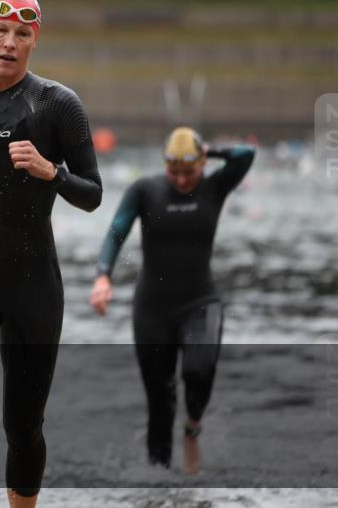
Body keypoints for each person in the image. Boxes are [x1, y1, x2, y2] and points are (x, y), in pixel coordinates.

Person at [0, 0, 103, 507]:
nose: (10, 42)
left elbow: (94, 194)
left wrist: (50, 171)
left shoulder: (58, 105)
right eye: (2, 30)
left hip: (34, 282)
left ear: (34, 42)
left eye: (22, 34)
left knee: (23, 425)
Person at [90, 127, 256, 473]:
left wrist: (208, 151)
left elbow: (246, 155)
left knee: (199, 370)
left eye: (189, 171)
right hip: (153, 310)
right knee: (160, 404)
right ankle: (159, 479)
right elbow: (116, 230)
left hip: (200, 303)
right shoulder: (145, 190)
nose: (181, 179)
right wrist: (103, 275)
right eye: (173, 171)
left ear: (202, 164)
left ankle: (192, 430)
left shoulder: (215, 185)